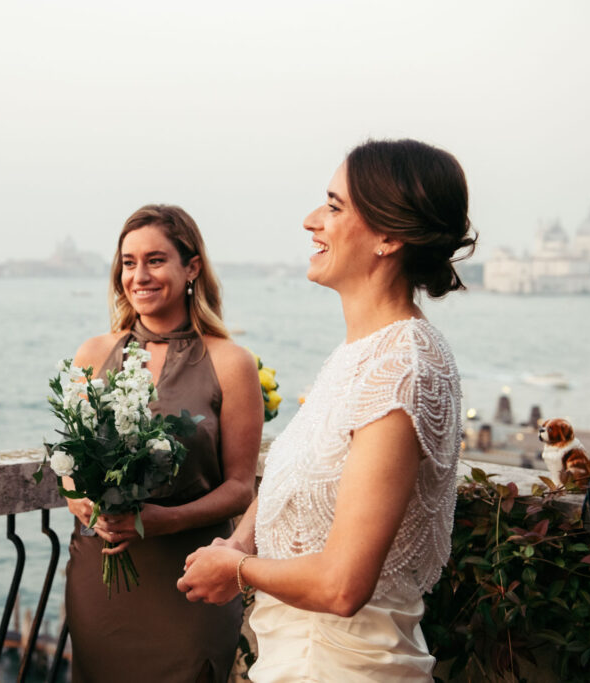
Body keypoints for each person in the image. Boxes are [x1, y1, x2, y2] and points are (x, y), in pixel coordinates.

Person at [178, 139, 476, 681]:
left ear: (389, 236)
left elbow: (343, 585)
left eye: (335, 207)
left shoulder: (403, 367)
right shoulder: (357, 355)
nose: (311, 220)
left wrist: (239, 571)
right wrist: (240, 540)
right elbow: (298, 482)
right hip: (297, 654)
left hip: (342, 664)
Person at [64, 205, 264, 682]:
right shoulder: (92, 354)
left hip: (193, 575)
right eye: (128, 262)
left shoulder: (232, 363)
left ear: (191, 267)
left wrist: (159, 520)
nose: (139, 275)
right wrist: (82, 501)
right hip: (102, 572)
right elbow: (69, 463)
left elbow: (240, 487)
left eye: (155, 260)